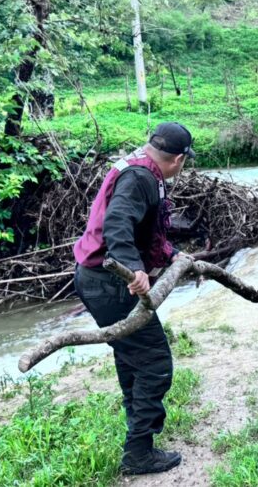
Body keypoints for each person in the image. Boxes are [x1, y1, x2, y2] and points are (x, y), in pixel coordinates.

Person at [72, 122, 196, 476]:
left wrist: (173, 256)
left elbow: (147, 231)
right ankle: (139, 453)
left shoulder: (139, 165)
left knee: (132, 358)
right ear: (178, 159)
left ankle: (138, 441)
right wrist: (134, 268)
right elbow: (118, 224)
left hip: (95, 278)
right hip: (110, 283)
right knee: (155, 363)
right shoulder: (141, 178)